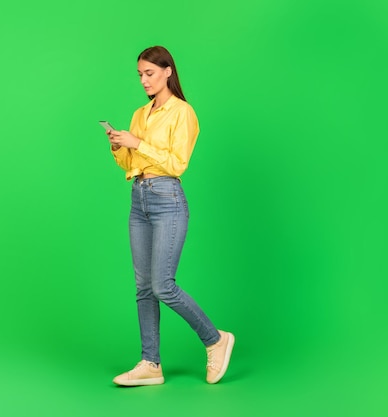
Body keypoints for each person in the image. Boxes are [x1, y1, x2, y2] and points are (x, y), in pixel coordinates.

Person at [106, 46, 234, 386]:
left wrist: (138, 143)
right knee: (144, 287)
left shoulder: (183, 113)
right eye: (140, 75)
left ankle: (215, 339)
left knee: (163, 284)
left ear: (167, 72)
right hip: (139, 199)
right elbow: (132, 166)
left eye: (149, 73)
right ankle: (150, 363)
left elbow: (178, 164)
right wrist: (120, 147)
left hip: (167, 199)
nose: (144, 80)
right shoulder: (139, 114)